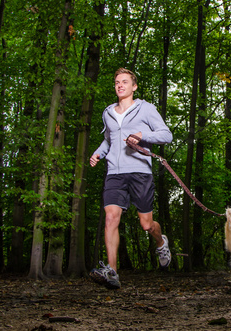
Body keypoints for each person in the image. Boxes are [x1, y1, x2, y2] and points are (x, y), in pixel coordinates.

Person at [89, 68, 172, 289]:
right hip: (114, 172)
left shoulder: (146, 109)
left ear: (134, 86)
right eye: (117, 82)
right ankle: (112, 271)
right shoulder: (108, 112)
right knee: (111, 218)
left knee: (146, 224)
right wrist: (98, 153)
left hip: (140, 171)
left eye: (125, 82)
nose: (120, 85)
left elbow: (166, 135)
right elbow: (109, 140)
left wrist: (143, 136)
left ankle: (161, 242)